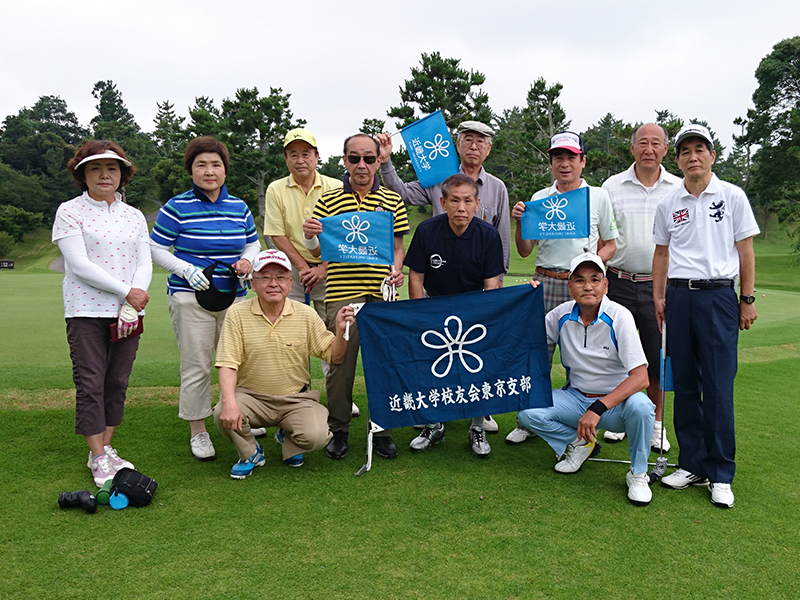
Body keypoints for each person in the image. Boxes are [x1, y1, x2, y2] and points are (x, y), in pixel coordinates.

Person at [377, 121, 509, 433]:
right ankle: (434, 415)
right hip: (439, 284)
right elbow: (400, 193)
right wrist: (385, 162)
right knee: (435, 355)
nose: (474, 146)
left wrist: (498, 282)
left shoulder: (497, 188)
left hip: (477, 287)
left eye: (481, 141)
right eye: (468, 140)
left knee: (475, 354)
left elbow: (500, 237)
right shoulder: (437, 178)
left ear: (488, 148)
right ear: (458, 143)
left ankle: (479, 412)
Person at [653, 124, 759, 509]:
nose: (693, 156)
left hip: (718, 297)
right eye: (685, 151)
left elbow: (745, 251)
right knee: (683, 382)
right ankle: (691, 463)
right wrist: (659, 296)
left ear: (712, 155)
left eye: (700, 149)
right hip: (679, 297)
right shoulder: (670, 202)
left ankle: (720, 471)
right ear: (677, 159)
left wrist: (746, 299)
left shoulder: (732, 195)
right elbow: (661, 254)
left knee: (716, 385)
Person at [150, 136, 260, 461]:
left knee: (240, 361)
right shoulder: (177, 206)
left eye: (216, 164)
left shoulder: (238, 206)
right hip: (189, 296)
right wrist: (184, 269)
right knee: (197, 365)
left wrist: (248, 261)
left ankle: (242, 415)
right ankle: (198, 430)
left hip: (234, 296)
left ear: (225, 170)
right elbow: (156, 248)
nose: (209, 171)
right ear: (191, 170)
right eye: (201, 165)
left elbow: (252, 243)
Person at [515, 253, 655, 506]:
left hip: (614, 406)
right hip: (576, 397)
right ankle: (580, 444)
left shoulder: (619, 316)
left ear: (605, 284)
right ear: (570, 286)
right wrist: (526, 299)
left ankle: (638, 473)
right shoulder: (560, 315)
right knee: (527, 412)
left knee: (643, 407)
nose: (587, 287)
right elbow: (525, 336)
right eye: (579, 280)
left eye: (594, 279)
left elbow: (641, 377)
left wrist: (598, 408)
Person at [507, 131, 619, 444]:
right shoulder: (540, 198)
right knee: (537, 354)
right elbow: (526, 250)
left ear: (582, 161)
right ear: (552, 163)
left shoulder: (597, 196)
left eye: (572, 157)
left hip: (584, 285)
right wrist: (520, 222)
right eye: (559, 157)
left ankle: (588, 416)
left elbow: (611, 244)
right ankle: (529, 418)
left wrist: (591, 263)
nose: (565, 163)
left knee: (584, 355)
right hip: (545, 281)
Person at [302, 133, 409, 460]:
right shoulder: (330, 201)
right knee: (341, 365)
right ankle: (339, 429)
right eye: (353, 158)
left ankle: (382, 430)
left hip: (382, 293)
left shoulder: (393, 200)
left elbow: (397, 246)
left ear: (379, 161)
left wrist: (397, 268)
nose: (361, 165)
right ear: (344, 161)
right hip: (343, 294)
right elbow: (321, 250)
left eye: (368, 158)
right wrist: (309, 239)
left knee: (384, 364)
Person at [52, 140, 152, 487]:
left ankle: (104, 447)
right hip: (85, 310)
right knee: (91, 382)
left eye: (112, 168)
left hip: (127, 312)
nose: (104, 174)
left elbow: (144, 261)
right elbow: (78, 264)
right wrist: (128, 292)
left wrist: (133, 300)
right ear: (83, 175)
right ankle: (97, 456)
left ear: (123, 174)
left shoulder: (134, 215)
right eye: (95, 168)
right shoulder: (70, 211)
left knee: (117, 382)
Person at [212, 249, 355, 479]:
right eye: (265, 277)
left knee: (317, 435)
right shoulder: (237, 314)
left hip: (296, 399)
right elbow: (228, 363)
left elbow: (335, 357)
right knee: (222, 411)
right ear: (252, 283)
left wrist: (339, 331)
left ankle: (289, 440)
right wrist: (229, 402)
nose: (273, 283)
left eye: (280, 277)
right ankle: (250, 453)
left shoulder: (305, 314)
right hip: (251, 397)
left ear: (290, 283)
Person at [403, 173, 504, 457]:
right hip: (434, 306)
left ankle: (477, 427)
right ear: (443, 202)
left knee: (476, 369)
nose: (461, 207)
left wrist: (485, 317)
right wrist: (418, 313)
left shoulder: (488, 235)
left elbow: (492, 283)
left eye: (467, 201)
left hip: (474, 309)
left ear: (477, 204)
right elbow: (416, 276)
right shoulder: (426, 230)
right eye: (455, 200)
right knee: (432, 368)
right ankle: (434, 425)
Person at [262, 128, 360, 419]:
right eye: (294, 154)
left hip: (332, 267)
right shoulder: (276, 189)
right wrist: (304, 267)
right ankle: (294, 395)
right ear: (286, 159)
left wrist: (321, 267)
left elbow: (344, 236)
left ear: (317, 157)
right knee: (288, 331)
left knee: (332, 333)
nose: (300, 160)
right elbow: (277, 235)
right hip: (290, 270)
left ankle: (336, 396)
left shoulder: (334, 186)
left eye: (306, 153)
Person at [599, 124, 682, 451]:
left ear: (665, 151)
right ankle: (621, 418)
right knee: (618, 357)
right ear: (632, 148)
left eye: (656, 144)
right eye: (642, 143)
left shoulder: (678, 187)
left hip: (658, 287)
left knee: (656, 357)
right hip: (618, 281)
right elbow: (603, 234)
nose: (649, 149)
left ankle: (656, 423)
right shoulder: (612, 185)